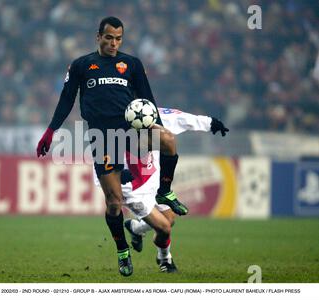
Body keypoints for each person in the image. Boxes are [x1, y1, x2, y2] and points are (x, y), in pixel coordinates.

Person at [37, 17, 186, 277]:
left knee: (168, 140)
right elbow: (66, 99)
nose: (113, 43)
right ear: (98, 37)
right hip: (103, 138)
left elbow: (147, 100)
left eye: (118, 38)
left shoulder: (132, 64)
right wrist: (51, 130)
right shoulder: (82, 65)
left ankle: (164, 191)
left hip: (131, 132)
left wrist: (158, 126)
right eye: (109, 37)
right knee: (115, 203)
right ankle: (122, 251)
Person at [123, 108, 229, 257]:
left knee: (169, 220)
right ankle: (165, 259)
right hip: (134, 184)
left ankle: (136, 228)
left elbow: (183, 118)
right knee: (164, 226)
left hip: (155, 180)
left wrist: (210, 123)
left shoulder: (151, 114)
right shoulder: (116, 120)